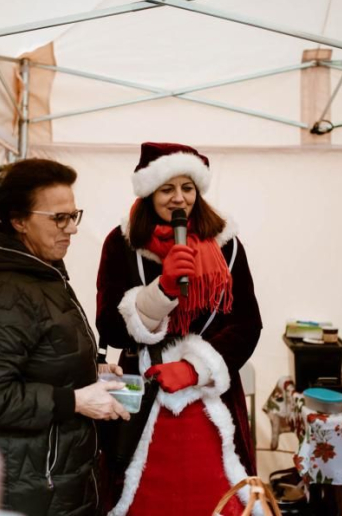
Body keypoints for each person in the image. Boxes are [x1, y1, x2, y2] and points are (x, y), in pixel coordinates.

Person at [95, 142, 262, 515]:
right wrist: (161, 293)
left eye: (187, 188)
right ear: (149, 192)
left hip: (211, 399)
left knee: (216, 499)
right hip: (143, 398)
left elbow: (247, 324)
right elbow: (109, 326)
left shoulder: (228, 247)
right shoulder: (121, 245)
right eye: (167, 189)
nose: (178, 199)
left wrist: (194, 368)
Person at [0, 159, 129, 515]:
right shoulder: (4, 291)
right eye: (58, 218)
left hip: (52, 479)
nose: (72, 229)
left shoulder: (41, 273)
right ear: (18, 221)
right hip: (29, 489)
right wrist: (76, 401)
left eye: (73, 215)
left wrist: (89, 373)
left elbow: (41, 359)